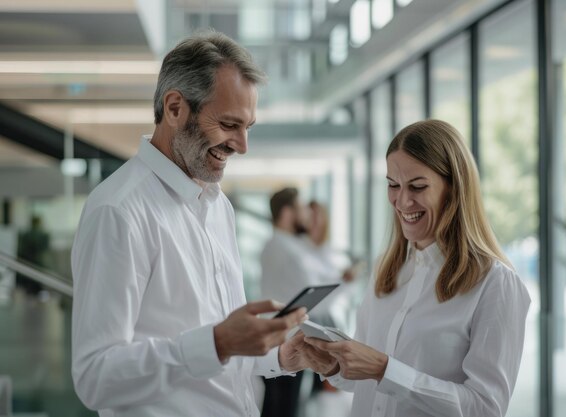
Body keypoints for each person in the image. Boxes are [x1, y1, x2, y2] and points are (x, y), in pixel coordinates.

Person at [71, 32, 308, 417]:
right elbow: (95, 377)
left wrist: (278, 355)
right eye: (229, 124)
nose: (242, 145)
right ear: (176, 107)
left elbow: (216, 359)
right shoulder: (118, 211)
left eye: (249, 127)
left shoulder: (219, 207)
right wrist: (216, 343)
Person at [300, 119, 531, 417]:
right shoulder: (387, 271)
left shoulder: (496, 284)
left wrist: (386, 370)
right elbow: (367, 382)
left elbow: (485, 408)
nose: (403, 201)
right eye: (393, 185)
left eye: (418, 186)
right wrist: (334, 365)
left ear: (454, 188)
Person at [258, 187, 314, 417]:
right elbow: (302, 289)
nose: (306, 215)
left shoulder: (290, 245)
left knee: (283, 407)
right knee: (281, 409)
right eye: (301, 208)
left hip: (286, 338)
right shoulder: (279, 247)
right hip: (281, 340)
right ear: (287, 212)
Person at [17, 215, 50, 296]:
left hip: (28, 263)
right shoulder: (44, 235)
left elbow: (21, 250)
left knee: (30, 285)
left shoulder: (25, 235)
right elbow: (45, 248)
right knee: (36, 284)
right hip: (38, 263)